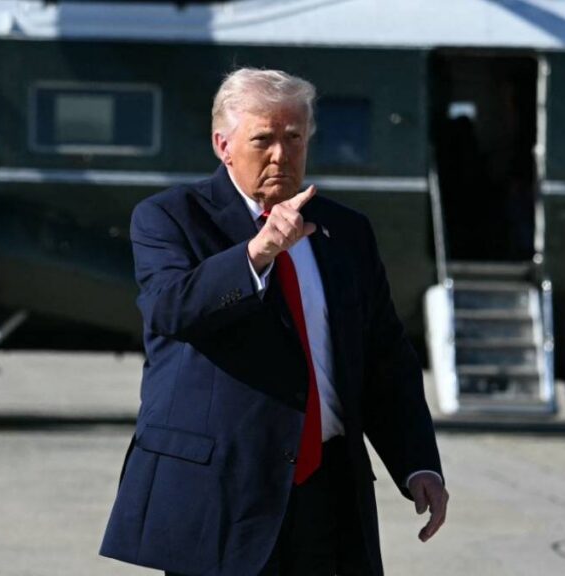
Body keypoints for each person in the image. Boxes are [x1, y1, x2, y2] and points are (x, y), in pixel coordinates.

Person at [100, 68, 448, 576]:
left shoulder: (345, 231)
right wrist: (256, 254)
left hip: (327, 493)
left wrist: (417, 462)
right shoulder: (170, 217)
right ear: (223, 145)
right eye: (263, 139)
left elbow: (384, 357)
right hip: (223, 495)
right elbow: (170, 309)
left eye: (294, 138)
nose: (281, 155)